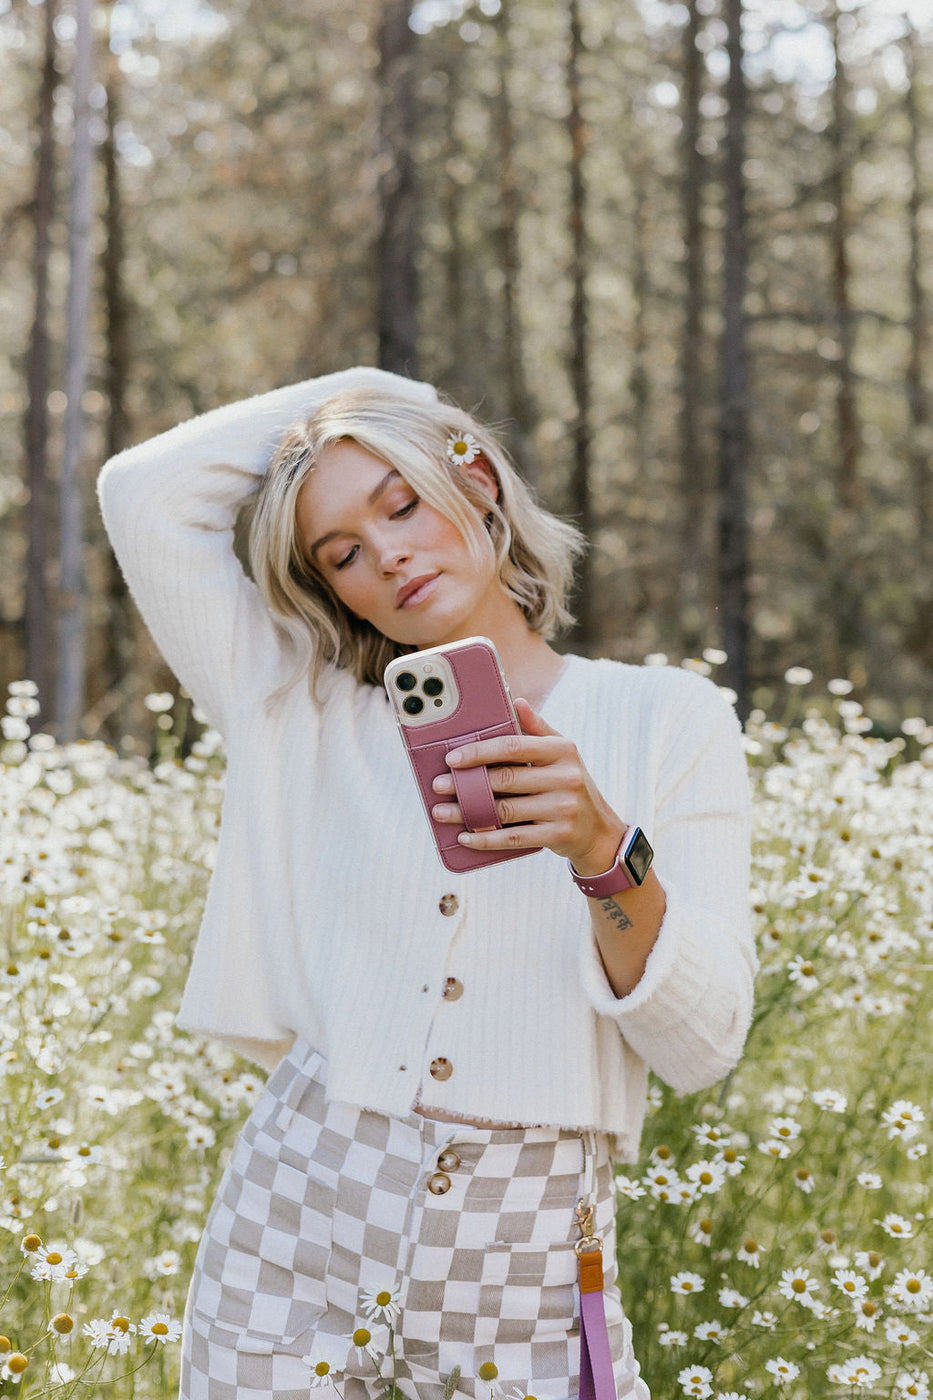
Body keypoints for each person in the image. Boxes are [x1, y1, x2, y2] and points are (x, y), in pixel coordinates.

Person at [97, 366, 755, 1400]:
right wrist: (373, 392)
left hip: (527, 1235)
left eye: (403, 500)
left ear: (479, 482)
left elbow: (704, 1045)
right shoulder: (299, 711)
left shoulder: (669, 718)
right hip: (301, 1206)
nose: (387, 553)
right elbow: (142, 492)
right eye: (342, 552)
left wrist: (597, 846)